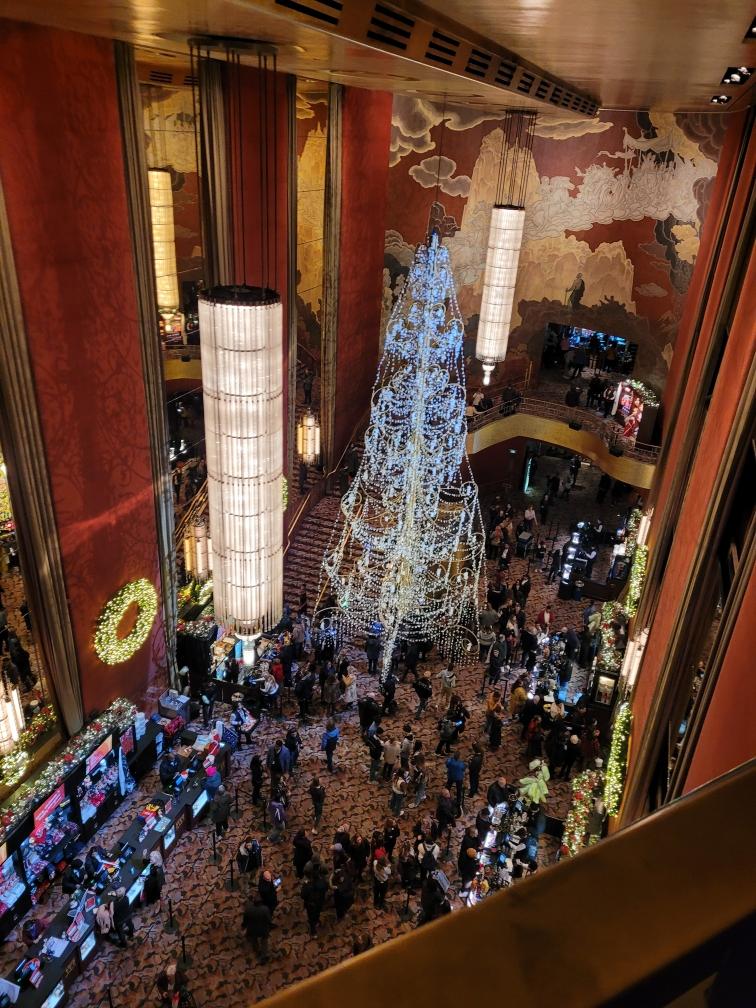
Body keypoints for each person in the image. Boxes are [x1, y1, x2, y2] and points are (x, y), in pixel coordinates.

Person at [242, 894, 271, 962]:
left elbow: (245, 921)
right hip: (263, 929)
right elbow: (269, 920)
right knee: (264, 941)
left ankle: (257, 952)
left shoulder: (248, 909)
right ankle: (264, 956)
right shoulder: (265, 909)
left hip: (252, 929)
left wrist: (243, 927)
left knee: (254, 941)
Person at [301, 868, 328, 936]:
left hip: (311, 906)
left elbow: (302, 896)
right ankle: (317, 921)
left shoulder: (307, 886)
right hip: (320, 903)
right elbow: (326, 889)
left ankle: (313, 932)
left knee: (311, 918)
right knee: (317, 913)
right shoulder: (323, 882)